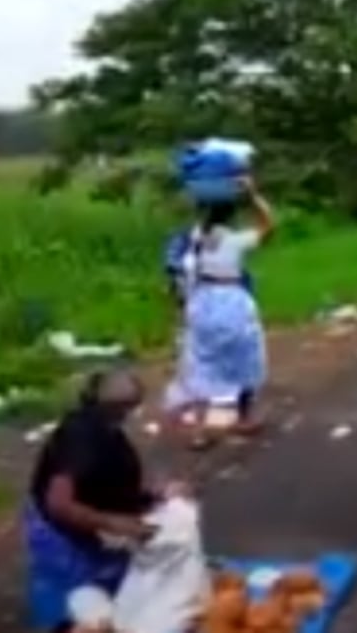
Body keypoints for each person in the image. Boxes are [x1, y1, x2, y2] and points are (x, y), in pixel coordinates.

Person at [26, 366, 186, 632]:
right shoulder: (80, 438)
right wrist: (113, 523)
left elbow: (106, 478)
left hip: (97, 525)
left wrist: (151, 496)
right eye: (130, 407)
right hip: (62, 536)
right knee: (76, 602)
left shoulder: (106, 430)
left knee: (121, 591)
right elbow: (59, 504)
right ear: (116, 406)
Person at [163, 177, 275, 447]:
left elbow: (176, 268)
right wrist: (252, 195)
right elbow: (269, 226)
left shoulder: (194, 240)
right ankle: (244, 416)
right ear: (232, 217)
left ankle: (199, 430)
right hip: (231, 301)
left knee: (202, 363)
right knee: (246, 355)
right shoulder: (234, 240)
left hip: (201, 303)